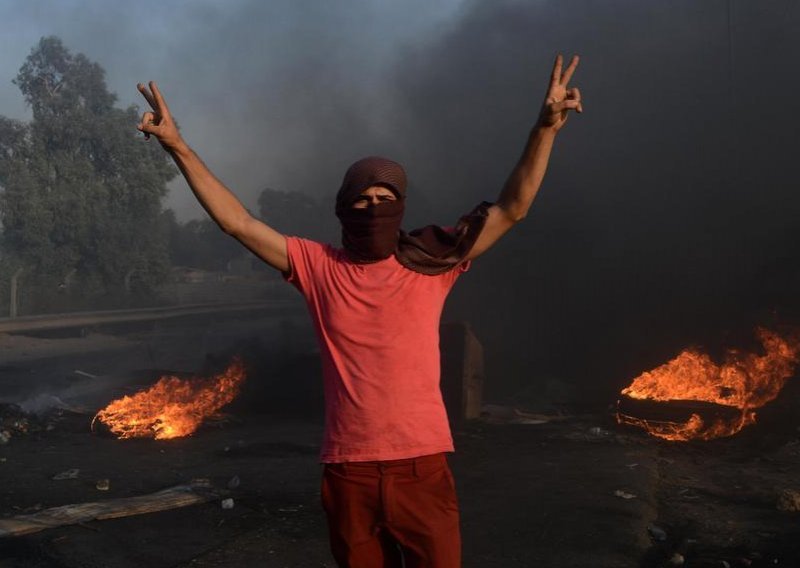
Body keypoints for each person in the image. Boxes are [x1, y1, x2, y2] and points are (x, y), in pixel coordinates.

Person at [137, 53, 581, 568]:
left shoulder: (433, 263)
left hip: (422, 466)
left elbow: (512, 208)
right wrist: (178, 147)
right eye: (363, 199)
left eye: (385, 197)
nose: (373, 207)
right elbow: (237, 222)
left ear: (401, 207)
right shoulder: (319, 265)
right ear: (344, 207)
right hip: (349, 470)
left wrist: (545, 129)